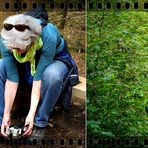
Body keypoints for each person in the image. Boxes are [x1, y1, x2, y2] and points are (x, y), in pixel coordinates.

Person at [0, 11, 78, 139]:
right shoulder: (6, 39)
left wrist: (31, 114)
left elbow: (38, 80)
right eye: (13, 48)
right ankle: (2, 121)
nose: (16, 51)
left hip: (55, 58)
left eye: (19, 48)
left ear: (30, 41)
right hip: (26, 60)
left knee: (52, 75)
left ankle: (39, 122)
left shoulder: (48, 35)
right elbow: (11, 79)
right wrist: (6, 114)